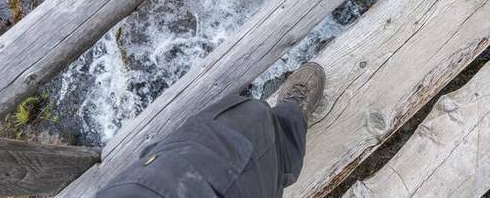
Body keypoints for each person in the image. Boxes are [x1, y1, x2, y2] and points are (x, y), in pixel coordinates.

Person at [95, 63, 326, 198]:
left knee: (243, 118)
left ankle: (282, 131)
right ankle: (292, 114)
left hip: (151, 184)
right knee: (269, 165)